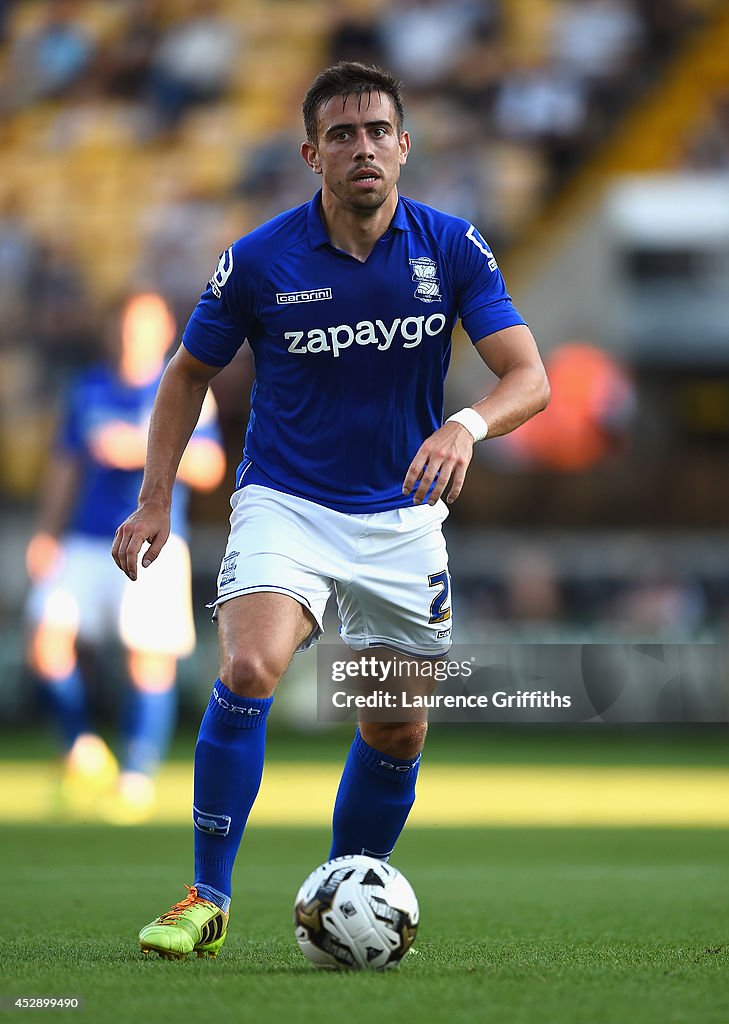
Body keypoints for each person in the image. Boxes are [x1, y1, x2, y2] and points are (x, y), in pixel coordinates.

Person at [112, 62, 550, 958]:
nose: (363, 148)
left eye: (377, 131)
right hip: (286, 503)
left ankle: (341, 901)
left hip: (402, 517)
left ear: (403, 146)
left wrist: (463, 427)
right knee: (249, 668)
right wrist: (155, 498)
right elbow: (187, 373)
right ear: (312, 154)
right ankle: (207, 899)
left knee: (395, 725)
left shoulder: (451, 247)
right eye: (342, 135)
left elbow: (529, 377)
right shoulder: (260, 258)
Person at [26, 292, 225, 823]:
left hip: (154, 541)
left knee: (148, 659)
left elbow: (208, 466)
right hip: (85, 539)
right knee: (45, 644)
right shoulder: (88, 387)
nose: (130, 336)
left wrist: (135, 447)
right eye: (123, 325)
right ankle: (83, 752)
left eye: (142, 326)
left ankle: (135, 777)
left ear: (163, 332)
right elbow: (65, 465)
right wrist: (47, 532)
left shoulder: (184, 388)